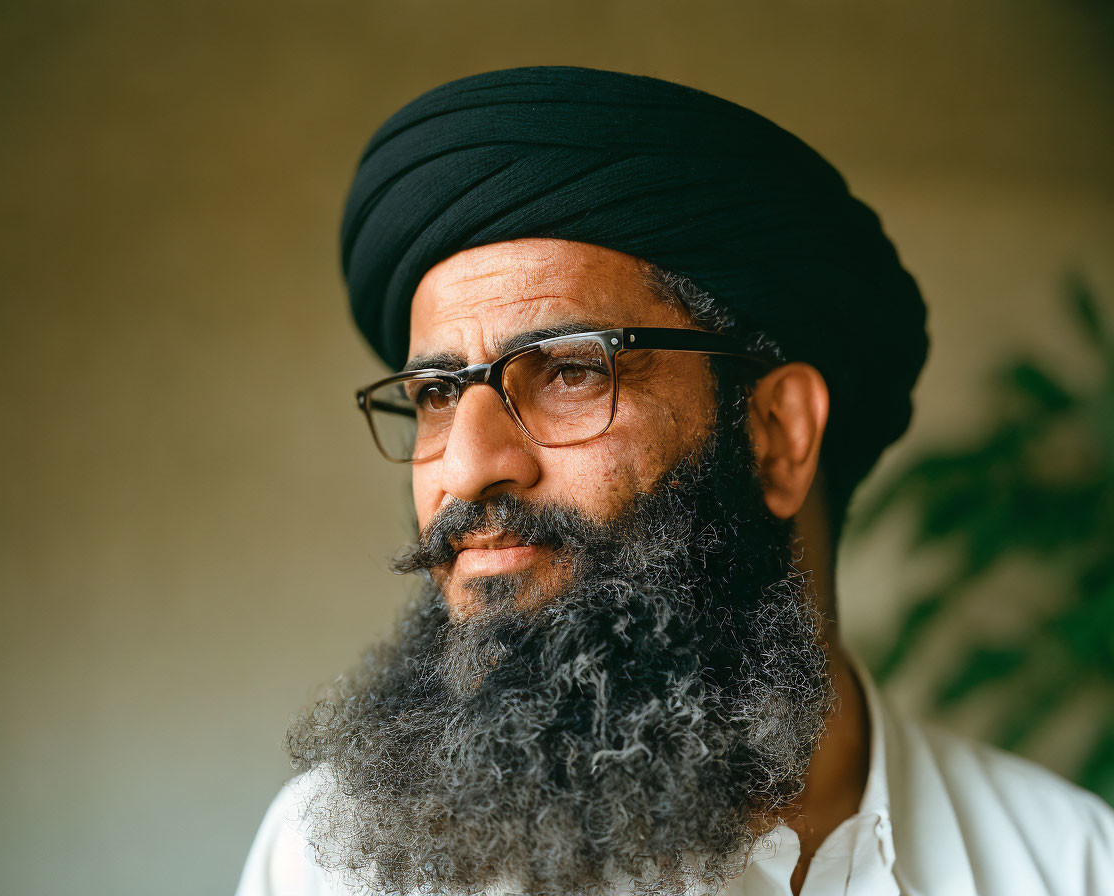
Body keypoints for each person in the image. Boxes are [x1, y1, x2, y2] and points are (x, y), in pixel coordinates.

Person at [235, 67, 1114, 896]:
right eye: (434, 394)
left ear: (775, 435)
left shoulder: (1069, 865)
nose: (464, 467)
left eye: (571, 372)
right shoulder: (323, 865)